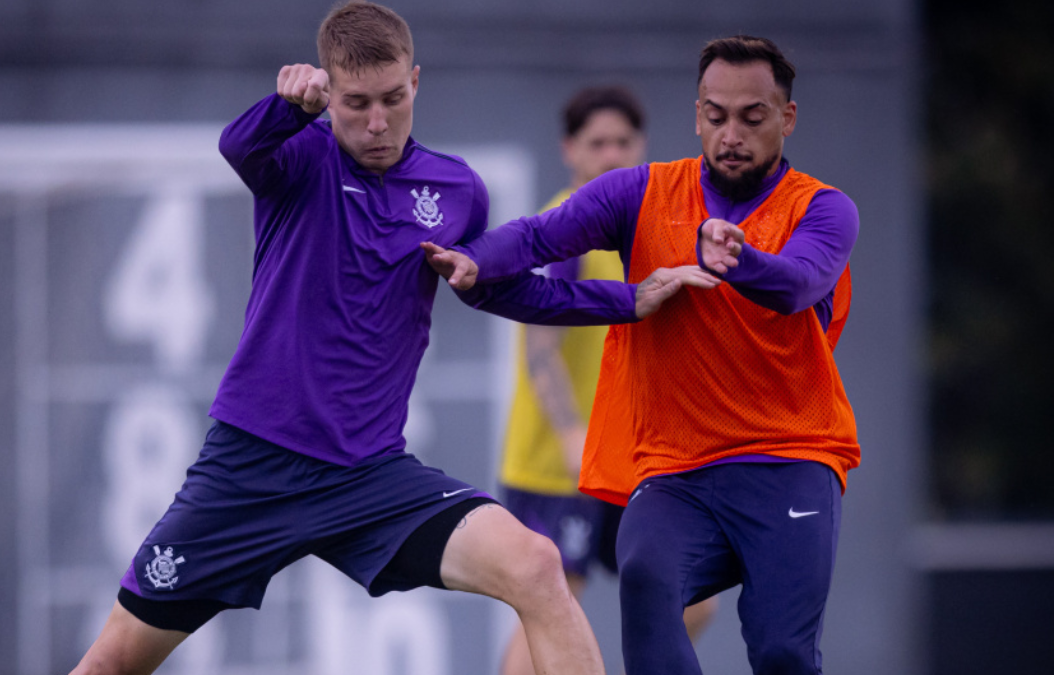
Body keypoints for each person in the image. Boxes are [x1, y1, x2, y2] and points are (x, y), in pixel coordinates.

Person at [68, 3, 709, 674]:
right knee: (115, 659)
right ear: (329, 93)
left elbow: (500, 288)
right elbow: (239, 147)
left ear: (416, 83)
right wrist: (287, 107)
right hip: (251, 469)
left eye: (393, 98)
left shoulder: (457, 189)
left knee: (537, 564)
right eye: (357, 103)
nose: (377, 122)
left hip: (370, 476)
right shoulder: (297, 155)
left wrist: (628, 299)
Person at [424, 35, 858, 675]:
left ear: (786, 119)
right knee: (645, 585)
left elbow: (797, 285)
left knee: (782, 652)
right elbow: (539, 238)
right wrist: (477, 259)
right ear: (696, 115)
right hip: (670, 470)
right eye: (715, 115)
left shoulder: (823, 208)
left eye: (752, 116)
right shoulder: (639, 194)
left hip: (790, 459)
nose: (731, 133)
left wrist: (737, 256)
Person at [498, 85, 716, 675]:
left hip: (633, 457)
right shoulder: (564, 230)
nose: (612, 155)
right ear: (570, 149)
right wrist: (572, 434)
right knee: (551, 603)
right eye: (597, 143)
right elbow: (539, 349)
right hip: (555, 464)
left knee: (694, 597)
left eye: (624, 142)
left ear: (642, 146)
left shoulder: (656, 231)